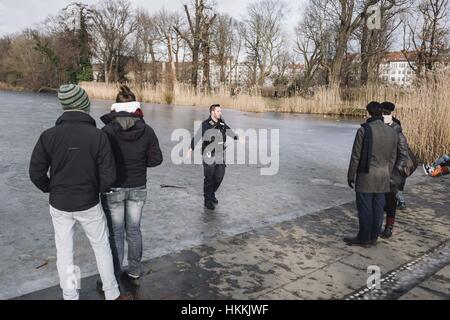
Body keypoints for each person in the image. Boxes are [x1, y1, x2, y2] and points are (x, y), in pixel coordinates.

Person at [29, 84, 125, 300]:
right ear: (84, 105)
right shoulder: (98, 136)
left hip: (60, 205)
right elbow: (109, 175)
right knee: (102, 248)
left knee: (65, 253)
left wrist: (51, 188)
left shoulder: (49, 136)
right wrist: (95, 190)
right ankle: (112, 293)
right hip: (89, 203)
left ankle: (70, 296)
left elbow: (35, 172)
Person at [100, 85, 163, 283]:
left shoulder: (107, 131)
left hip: (114, 188)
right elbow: (156, 159)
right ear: (135, 106)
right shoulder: (147, 130)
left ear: (116, 106)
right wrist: (138, 162)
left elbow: (99, 160)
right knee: (134, 230)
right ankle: (135, 269)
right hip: (137, 187)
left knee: (116, 233)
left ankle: (116, 273)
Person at [345, 101, 399, 248]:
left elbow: (356, 156)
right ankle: (373, 237)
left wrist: (351, 175)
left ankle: (363, 238)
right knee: (378, 208)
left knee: (365, 208)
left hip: (366, 175)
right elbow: (393, 156)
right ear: (381, 113)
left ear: (368, 112)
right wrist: (387, 171)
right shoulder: (392, 131)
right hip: (383, 175)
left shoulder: (363, 130)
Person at [188, 104, 244, 210]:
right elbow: (197, 136)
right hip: (208, 154)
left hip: (219, 154)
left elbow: (229, 132)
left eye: (220, 111)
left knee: (219, 177)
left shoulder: (222, 123)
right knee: (209, 178)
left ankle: (211, 193)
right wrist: (191, 148)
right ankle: (207, 200)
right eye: (218, 111)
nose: (220, 113)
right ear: (212, 112)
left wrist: (238, 138)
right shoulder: (206, 124)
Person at [379, 101, 410, 239]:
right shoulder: (381, 124)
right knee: (383, 201)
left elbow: (403, 153)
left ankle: (388, 227)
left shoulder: (396, 127)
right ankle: (382, 226)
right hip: (382, 169)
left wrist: (395, 171)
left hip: (390, 171)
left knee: (390, 201)